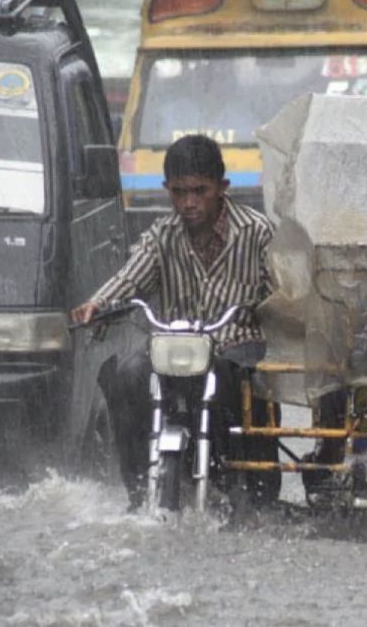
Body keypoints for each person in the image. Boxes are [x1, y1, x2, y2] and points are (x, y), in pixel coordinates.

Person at [71, 134, 279, 509]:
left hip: (234, 347)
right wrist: (98, 304)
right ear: (167, 190)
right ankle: (137, 490)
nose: (189, 203)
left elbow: (282, 292)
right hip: (172, 347)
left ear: (221, 188)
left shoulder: (257, 232)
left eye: (200, 191)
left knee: (249, 386)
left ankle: (249, 485)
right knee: (128, 376)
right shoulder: (161, 235)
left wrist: (280, 310)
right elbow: (131, 276)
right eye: (179, 192)